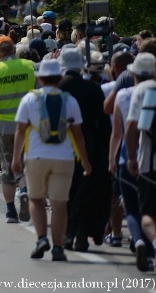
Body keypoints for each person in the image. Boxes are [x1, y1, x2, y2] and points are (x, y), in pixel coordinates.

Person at [12, 59, 92, 262]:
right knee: (59, 204)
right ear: (60, 78)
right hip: (64, 158)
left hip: (36, 156)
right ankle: (58, 247)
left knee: (36, 200)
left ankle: (41, 239)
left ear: (39, 78)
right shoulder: (69, 100)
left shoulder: (29, 100)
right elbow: (78, 134)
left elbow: (20, 131)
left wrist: (16, 158)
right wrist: (85, 161)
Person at [58, 47, 112, 252]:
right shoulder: (92, 88)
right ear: (81, 67)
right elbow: (104, 123)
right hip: (90, 143)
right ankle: (82, 231)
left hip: (62, 143)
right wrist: (107, 151)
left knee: (66, 190)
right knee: (86, 189)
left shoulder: (58, 88)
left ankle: (68, 233)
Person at [0, 35, 37, 223]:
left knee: (7, 167)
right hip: (30, 125)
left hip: (4, 126)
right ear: (14, 50)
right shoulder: (30, 67)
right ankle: (25, 190)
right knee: (26, 163)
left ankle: (11, 211)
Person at [124, 52, 156, 272]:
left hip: (149, 163)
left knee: (148, 215)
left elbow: (132, 128)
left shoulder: (143, 91)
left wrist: (132, 157)